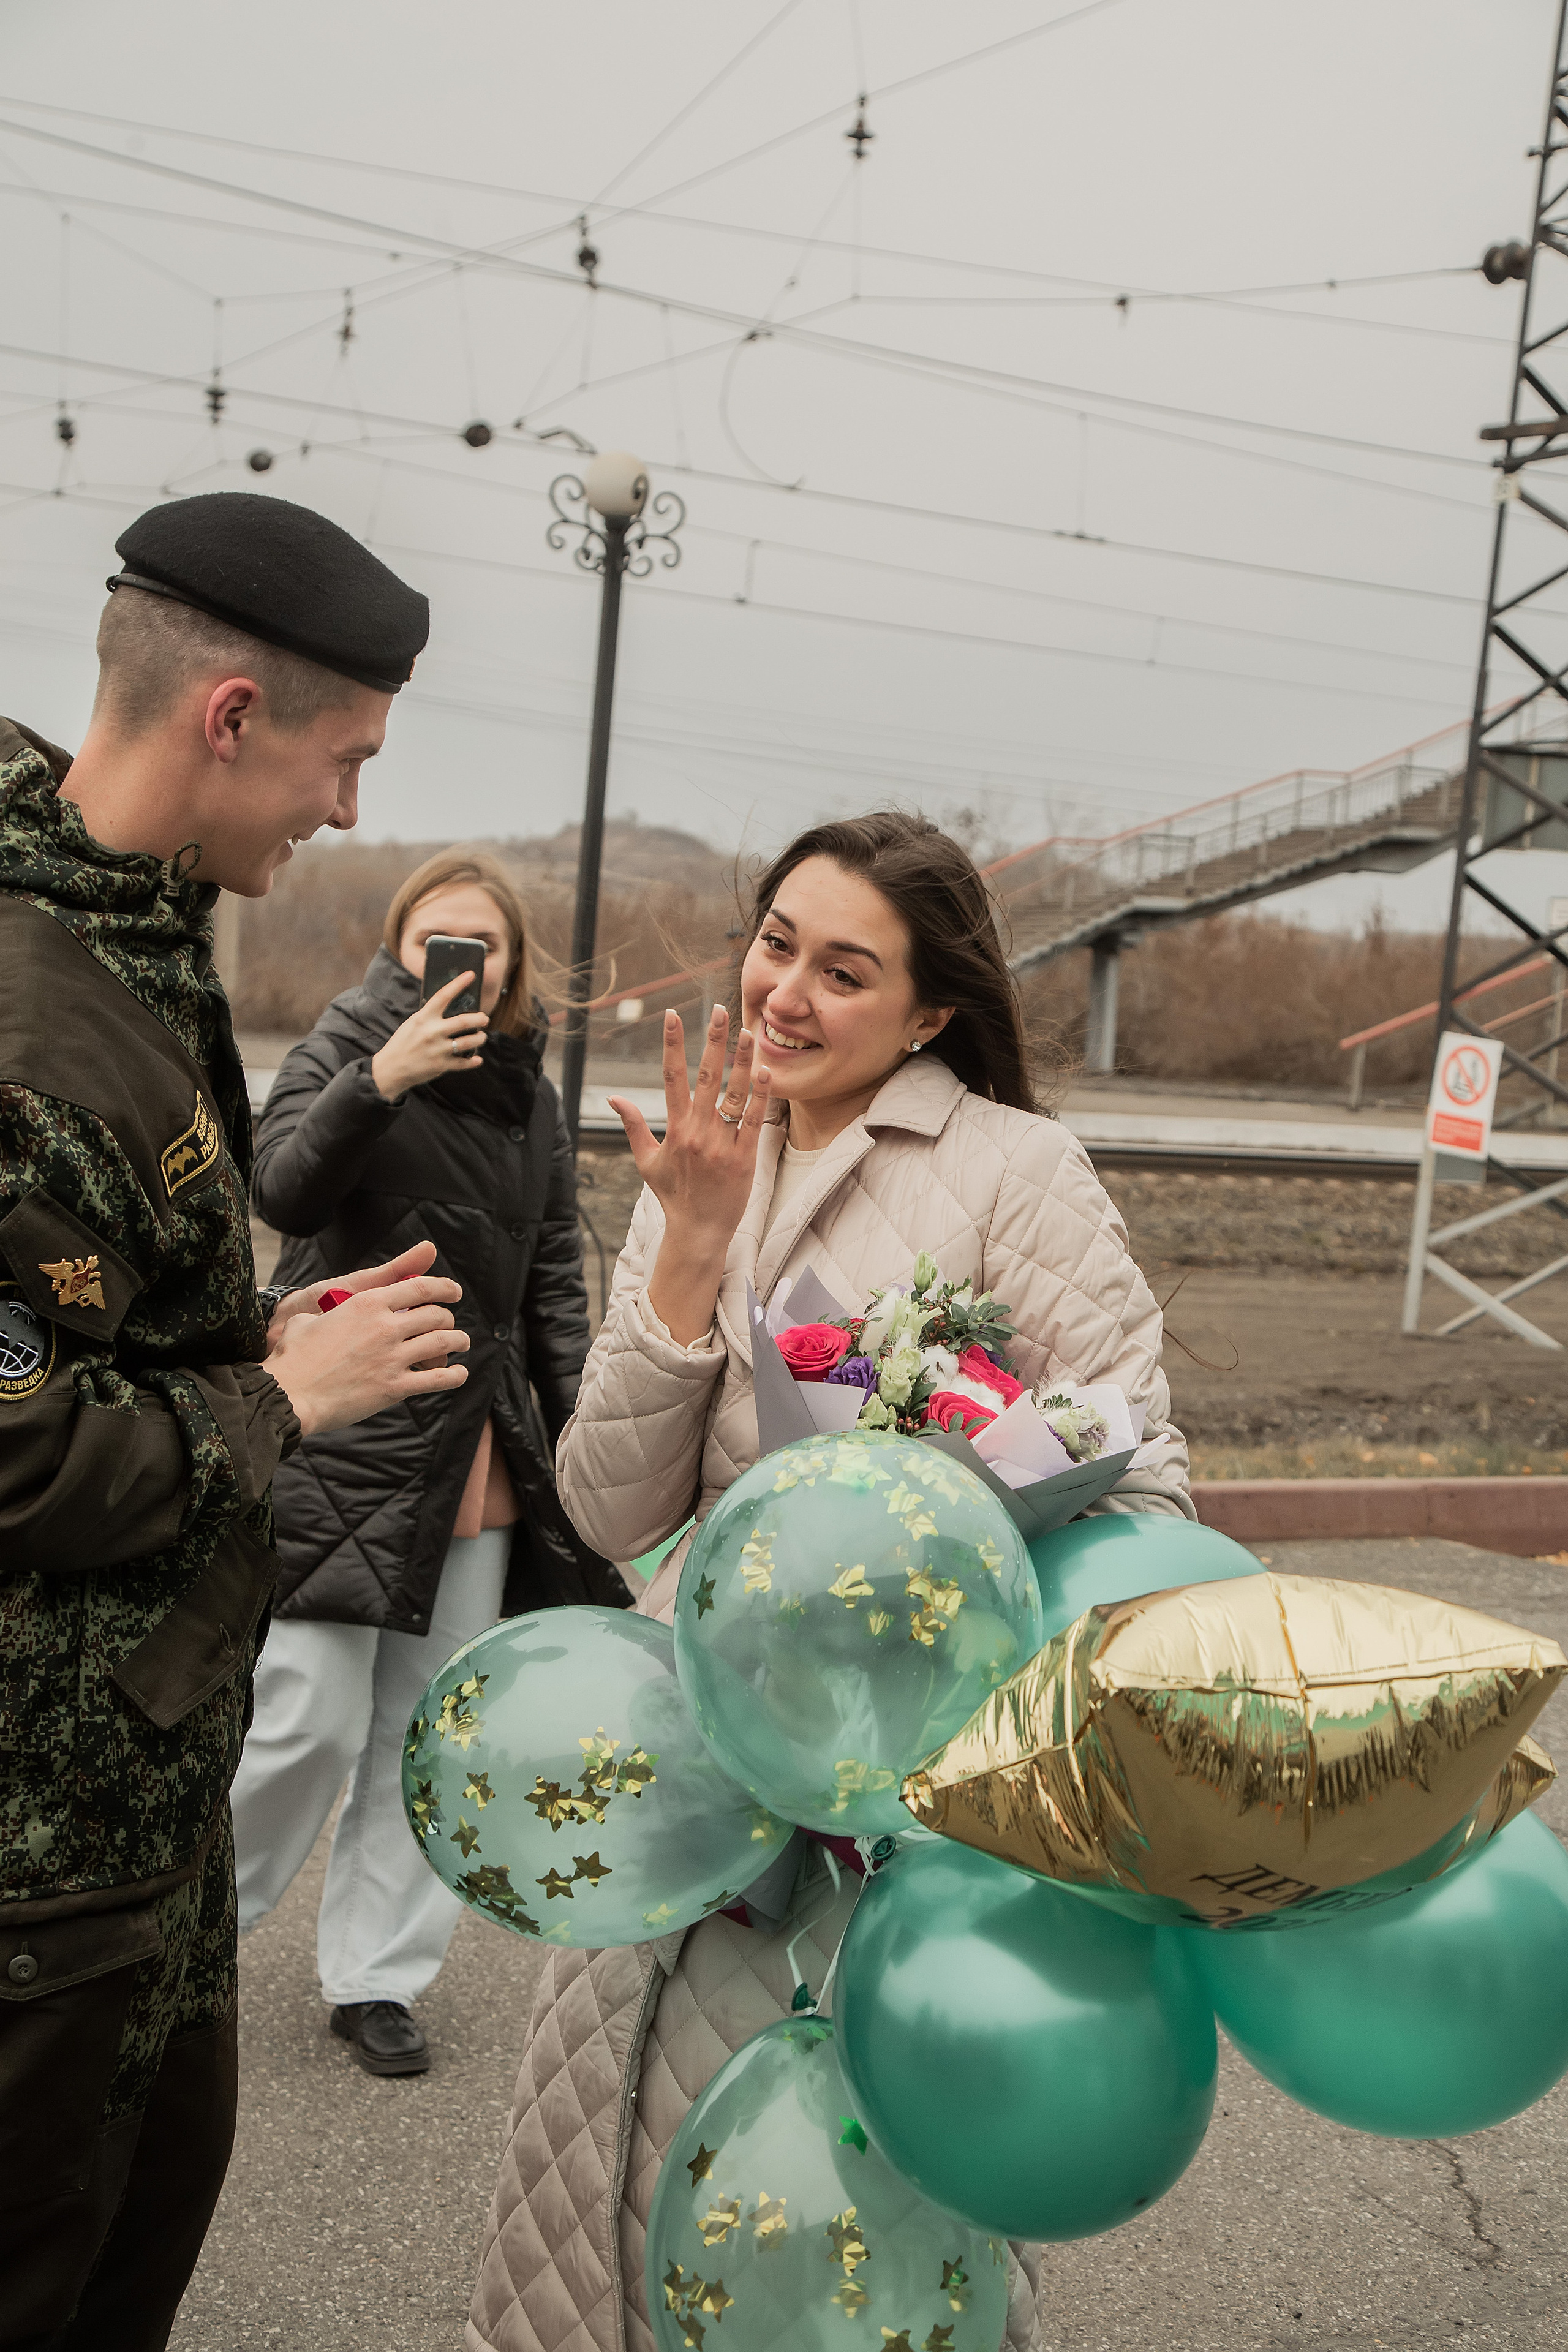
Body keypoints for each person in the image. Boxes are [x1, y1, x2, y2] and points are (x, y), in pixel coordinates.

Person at [466, 812, 1194, 2352]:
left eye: (843, 969)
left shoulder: (1014, 1169)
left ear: (931, 1012)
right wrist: (683, 1258)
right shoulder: (705, 1161)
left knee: (857, 2234)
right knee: (609, 2198)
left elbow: (1137, 1479)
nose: (783, 991)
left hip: (903, 1819)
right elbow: (606, 1509)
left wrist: (930, 1557)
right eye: (775, 942)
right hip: (684, 1774)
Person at [0, 491, 469, 2351]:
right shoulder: (25, 1019)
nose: (348, 808)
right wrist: (282, 1393)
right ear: (229, 719)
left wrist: (258, 1334)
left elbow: (95, 1313)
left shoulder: (132, 924)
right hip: (44, 1845)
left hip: (139, 1785)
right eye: (341, 758)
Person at [231, 846, 628, 2077]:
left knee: (433, 1731)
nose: (459, 963)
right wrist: (377, 1081)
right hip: (351, 1432)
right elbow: (282, 1191)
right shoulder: (351, 1043)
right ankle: (184, 1933)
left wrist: (576, 1447)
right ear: (399, 949)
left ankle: (375, 1980)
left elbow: (554, 1270)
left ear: (510, 967)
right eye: (435, 941)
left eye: (484, 945)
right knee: (303, 1713)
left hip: (480, 1442)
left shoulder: (531, 1093)